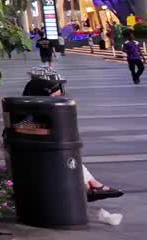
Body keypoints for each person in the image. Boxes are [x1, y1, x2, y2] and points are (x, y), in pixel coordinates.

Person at [20, 73, 123, 202]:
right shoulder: (33, 117)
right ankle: (91, 185)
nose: (60, 97)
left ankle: (91, 184)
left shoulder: (26, 112)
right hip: (44, 164)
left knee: (67, 154)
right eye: (56, 94)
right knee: (67, 154)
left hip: (43, 159)